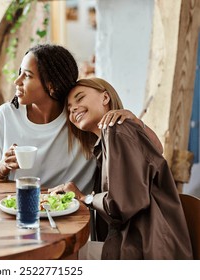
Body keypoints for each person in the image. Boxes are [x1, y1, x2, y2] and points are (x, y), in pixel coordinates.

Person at [0, 44, 157, 193]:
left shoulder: (79, 119)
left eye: (28, 76)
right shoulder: (6, 116)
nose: (17, 81)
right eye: (19, 73)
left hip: (73, 215)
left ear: (52, 86)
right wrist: (1, 167)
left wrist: (133, 121)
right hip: (20, 209)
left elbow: (154, 151)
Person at [49, 77, 192, 259]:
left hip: (146, 251)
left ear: (105, 98)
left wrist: (84, 197)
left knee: (59, 255)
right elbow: (156, 150)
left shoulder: (116, 130)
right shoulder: (110, 138)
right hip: (137, 246)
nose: (73, 109)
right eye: (69, 109)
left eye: (80, 98)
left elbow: (124, 203)